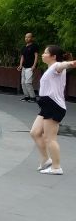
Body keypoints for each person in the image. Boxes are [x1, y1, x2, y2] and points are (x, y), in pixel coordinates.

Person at [31, 45, 74, 175]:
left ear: (53, 56)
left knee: (50, 138)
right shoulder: (51, 68)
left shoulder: (56, 66)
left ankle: (56, 167)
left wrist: (71, 63)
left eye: (45, 53)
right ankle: (46, 160)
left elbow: (64, 65)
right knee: (35, 132)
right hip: (47, 105)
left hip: (53, 106)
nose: (42, 55)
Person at [18, 33, 39, 102]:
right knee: (23, 83)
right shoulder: (24, 47)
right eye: (25, 37)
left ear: (32, 38)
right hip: (24, 67)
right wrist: (20, 65)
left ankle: (33, 97)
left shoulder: (34, 46)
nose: (26, 38)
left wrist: (34, 65)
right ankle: (27, 96)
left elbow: (36, 56)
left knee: (28, 82)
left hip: (30, 67)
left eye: (28, 37)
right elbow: (22, 57)